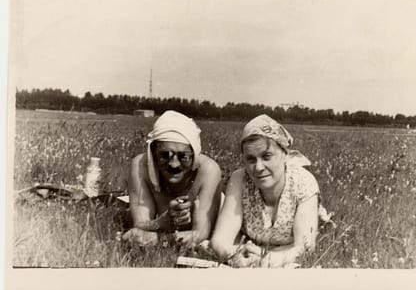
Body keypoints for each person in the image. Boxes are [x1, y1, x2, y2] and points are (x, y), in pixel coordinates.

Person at [211, 114, 319, 268]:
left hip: (279, 255)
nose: (258, 167)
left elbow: (305, 248)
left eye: (266, 156)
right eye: (251, 159)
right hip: (249, 251)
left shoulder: (303, 182)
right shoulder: (240, 179)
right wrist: (236, 255)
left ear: (284, 154)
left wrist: (266, 260)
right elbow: (220, 240)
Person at [122, 110, 222, 247]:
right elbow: (139, 224)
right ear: (153, 154)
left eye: (183, 157)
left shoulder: (208, 170)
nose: (174, 164)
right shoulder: (141, 166)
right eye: (164, 156)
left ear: (194, 156)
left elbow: (200, 234)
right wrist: (162, 223)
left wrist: (158, 239)